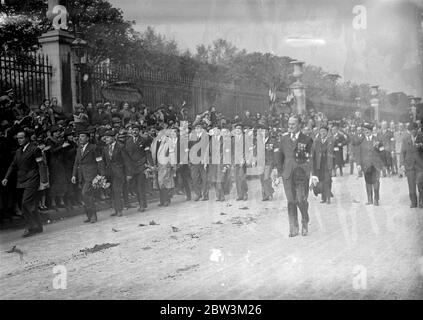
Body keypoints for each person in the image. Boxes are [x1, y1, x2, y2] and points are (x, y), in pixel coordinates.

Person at [2, 130, 48, 237]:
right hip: (21, 180)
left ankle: (30, 227)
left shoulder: (34, 149)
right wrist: (6, 178)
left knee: (25, 203)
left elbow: (41, 165)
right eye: (18, 138)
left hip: (33, 178)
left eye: (21, 138)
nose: (19, 140)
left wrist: (44, 180)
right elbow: (13, 165)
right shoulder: (18, 151)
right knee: (32, 204)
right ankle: (38, 226)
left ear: (27, 138)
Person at [276, 115, 314, 237]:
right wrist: (278, 172)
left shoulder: (307, 139)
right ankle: (293, 228)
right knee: (291, 201)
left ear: (299, 125)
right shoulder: (284, 139)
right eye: (289, 124)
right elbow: (279, 156)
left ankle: (304, 222)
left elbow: (311, 158)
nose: (290, 126)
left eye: (293, 124)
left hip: (301, 175)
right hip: (287, 174)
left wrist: (311, 174)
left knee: (301, 200)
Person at [71, 127, 105, 223]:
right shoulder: (78, 149)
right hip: (81, 176)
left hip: (91, 175)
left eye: (82, 136)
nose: (80, 138)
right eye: (79, 136)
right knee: (85, 196)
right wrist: (74, 175)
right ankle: (89, 215)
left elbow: (99, 161)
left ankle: (93, 215)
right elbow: (76, 163)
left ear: (87, 138)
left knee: (85, 193)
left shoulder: (93, 147)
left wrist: (102, 175)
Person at [101, 129, 131, 216]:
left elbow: (126, 161)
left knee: (116, 190)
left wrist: (128, 174)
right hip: (109, 174)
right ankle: (116, 209)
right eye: (105, 138)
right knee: (111, 192)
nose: (106, 139)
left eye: (107, 138)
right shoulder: (105, 149)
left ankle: (119, 210)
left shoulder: (120, 147)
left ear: (113, 138)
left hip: (119, 173)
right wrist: (103, 174)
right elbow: (103, 163)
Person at [125, 124, 152, 212]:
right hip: (132, 167)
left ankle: (141, 205)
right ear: (131, 131)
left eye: (136, 130)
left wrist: (150, 164)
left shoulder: (144, 140)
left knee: (140, 186)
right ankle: (143, 202)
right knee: (135, 187)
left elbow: (147, 153)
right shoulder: (128, 141)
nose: (134, 131)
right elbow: (127, 155)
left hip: (141, 166)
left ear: (139, 131)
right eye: (133, 130)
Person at [356, 123, 383, 206]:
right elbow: (358, 154)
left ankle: (376, 199)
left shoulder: (377, 139)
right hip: (366, 165)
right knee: (368, 182)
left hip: (376, 165)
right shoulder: (361, 141)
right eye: (364, 130)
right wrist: (358, 164)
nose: (366, 132)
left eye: (367, 130)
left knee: (376, 182)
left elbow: (382, 152)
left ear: (371, 131)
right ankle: (370, 199)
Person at [400, 122, 423, 208]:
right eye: (411, 130)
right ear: (409, 131)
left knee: (421, 184)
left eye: (415, 129)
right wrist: (401, 164)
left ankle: (421, 202)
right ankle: (413, 202)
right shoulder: (406, 139)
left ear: (418, 129)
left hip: (420, 166)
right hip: (409, 166)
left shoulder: (421, 137)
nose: (413, 131)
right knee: (411, 185)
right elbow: (402, 152)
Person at [312, 125, 334, 204]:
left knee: (327, 181)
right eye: (321, 131)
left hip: (327, 164)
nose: (323, 133)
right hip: (319, 164)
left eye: (324, 131)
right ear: (319, 132)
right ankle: (323, 197)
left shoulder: (330, 140)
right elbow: (313, 153)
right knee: (321, 181)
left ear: (327, 132)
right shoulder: (316, 141)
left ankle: (328, 198)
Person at [232, 124, 248, 201]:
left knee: (242, 178)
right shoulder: (233, 139)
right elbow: (231, 151)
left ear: (242, 130)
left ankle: (245, 193)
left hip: (242, 161)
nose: (237, 130)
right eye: (236, 129)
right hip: (235, 161)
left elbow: (247, 150)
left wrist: (244, 159)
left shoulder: (245, 138)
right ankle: (239, 195)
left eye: (239, 129)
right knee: (236, 178)